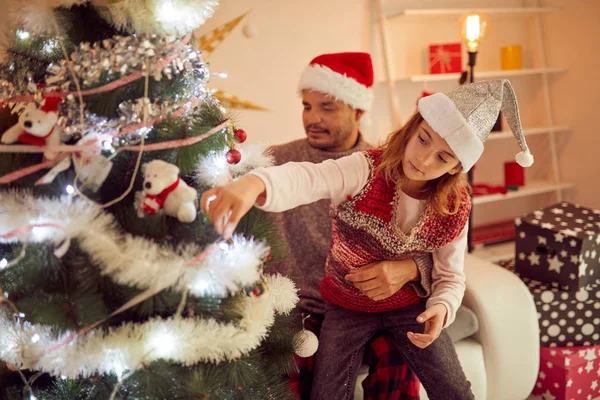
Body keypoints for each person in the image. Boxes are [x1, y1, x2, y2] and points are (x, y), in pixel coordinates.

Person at [202, 73, 534, 398]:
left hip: (409, 306)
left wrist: (442, 310)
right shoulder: (364, 168)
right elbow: (308, 178)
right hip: (346, 306)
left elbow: (451, 275)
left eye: (443, 157)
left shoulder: (452, 207)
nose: (423, 158)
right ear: (412, 129)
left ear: (455, 168)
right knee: (328, 391)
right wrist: (254, 183)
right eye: (423, 139)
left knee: (453, 388)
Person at [269, 52, 429, 399]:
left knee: (400, 358)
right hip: (296, 308)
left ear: (358, 110)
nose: (312, 118)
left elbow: (433, 246)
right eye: (307, 106)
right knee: (284, 372)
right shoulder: (278, 161)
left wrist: (411, 269)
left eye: (327, 107)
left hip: (364, 307)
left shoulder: (388, 170)